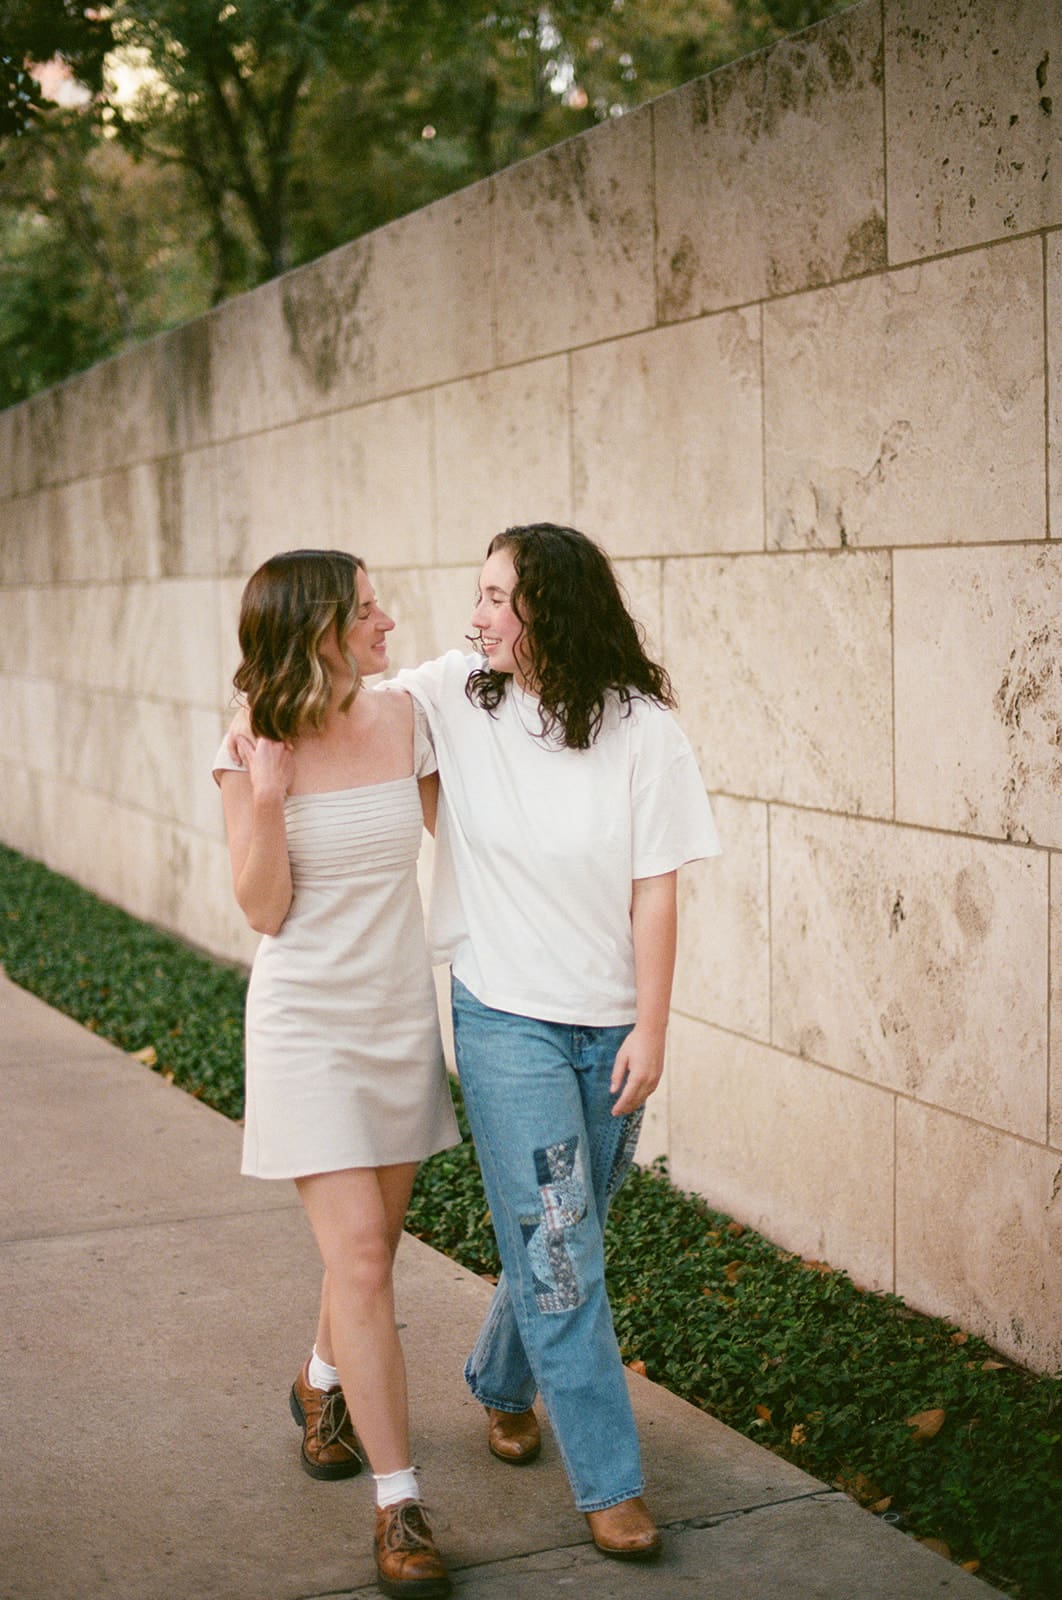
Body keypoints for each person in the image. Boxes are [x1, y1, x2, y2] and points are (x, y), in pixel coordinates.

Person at [389, 523, 721, 1559]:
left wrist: (652, 1029)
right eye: (478, 594)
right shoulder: (456, 691)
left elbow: (655, 890)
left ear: (552, 609)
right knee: (561, 1245)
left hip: (611, 1024)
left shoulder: (643, 728)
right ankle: (610, 1485)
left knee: (563, 1229)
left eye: (497, 597)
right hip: (505, 1016)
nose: (476, 614)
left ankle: (500, 1378)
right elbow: (349, 718)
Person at [213, 549, 459, 1600]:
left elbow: (473, 840)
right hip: (305, 1021)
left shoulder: (410, 719)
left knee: (371, 1245)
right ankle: (399, 1502)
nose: (388, 622)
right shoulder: (248, 744)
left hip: (396, 1016)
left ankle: (318, 1384)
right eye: (366, 611)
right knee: (361, 1257)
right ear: (317, 628)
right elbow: (263, 909)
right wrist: (266, 798)